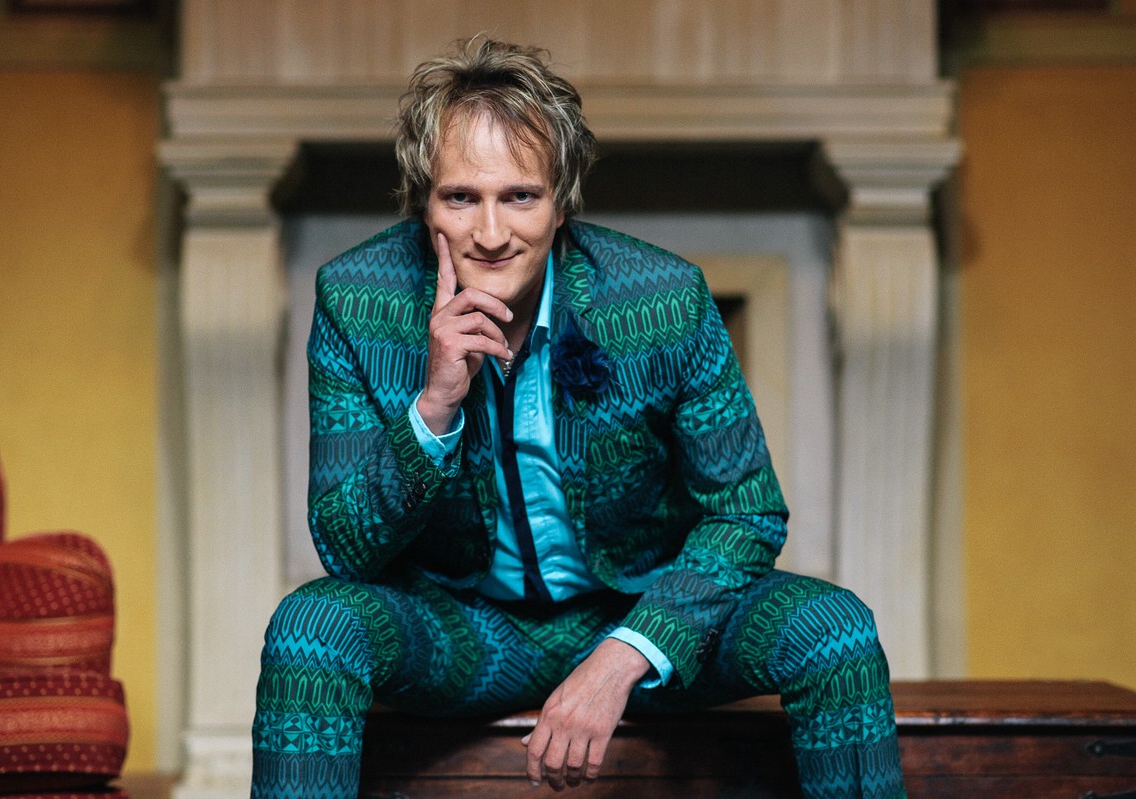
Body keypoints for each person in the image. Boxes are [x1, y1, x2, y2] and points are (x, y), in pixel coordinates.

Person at [251, 36, 906, 799]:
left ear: (562, 202)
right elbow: (345, 547)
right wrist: (433, 407)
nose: (490, 233)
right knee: (310, 628)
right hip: (460, 628)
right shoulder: (357, 302)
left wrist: (626, 652)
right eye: (460, 197)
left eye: (519, 197)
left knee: (834, 629)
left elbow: (747, 513)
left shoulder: (662, 299)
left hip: (641, 609)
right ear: (421, 203)